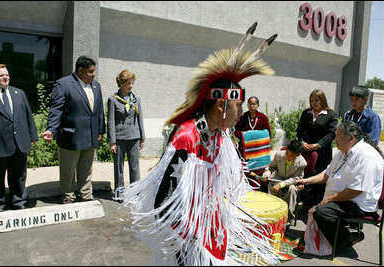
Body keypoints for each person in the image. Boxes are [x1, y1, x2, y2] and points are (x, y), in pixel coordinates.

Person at [121, 22, 281, 265]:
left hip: (211, 226)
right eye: (238, 106)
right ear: (221, 105)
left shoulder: (220, 135)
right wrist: (181, 240)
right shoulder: (188, 137)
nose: (241, 113)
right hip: (188, 233)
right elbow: (163, 199)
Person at [296, 121, 384, 248]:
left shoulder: (366, 156)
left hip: (357, 203)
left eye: (338, 135)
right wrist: (305, 181)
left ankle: (347, 238)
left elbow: (355, 191)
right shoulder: (343, 151)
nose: (335, 138)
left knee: (321, 212)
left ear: (351, 138)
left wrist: (329, 199)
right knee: (316, 203)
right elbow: (326, 174)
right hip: (344, 197)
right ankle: (335, 236)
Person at [42, 56, 105, 204]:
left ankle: (86, 195)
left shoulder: (96, 86)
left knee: (86, 169)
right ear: (80, 70)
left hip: (90, 136)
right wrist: (51, 129)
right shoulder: (64, 84)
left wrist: (100, 130)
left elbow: (99, 110)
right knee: (68, 170)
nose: (93, 74)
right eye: (91, 72)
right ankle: (68, 195)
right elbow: (56, 109)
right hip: (71, 136)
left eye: (94, 71)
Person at [0, 63, 38, 212]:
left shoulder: (19, 93)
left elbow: (28, 115)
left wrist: (33, 135)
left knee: (19, 175)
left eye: (7, 75)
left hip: (19, 143)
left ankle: (19, 200)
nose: (5, 78)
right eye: (1, 75)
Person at [107, 69, 145, 202]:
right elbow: (110, 121)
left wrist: (142, 138)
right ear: (122, 84)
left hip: (134, 137)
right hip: (119, 138)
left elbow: (140, 119)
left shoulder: (136, 99)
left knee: (135, 167)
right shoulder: (113, 100)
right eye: (129, 83)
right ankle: (119, 194)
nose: (131, 86)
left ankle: (136, 193)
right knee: (119, 168)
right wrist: (111, 141)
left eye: (132, 83)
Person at [296, 89, 338, 209]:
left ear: (322, 100)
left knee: (319, 177)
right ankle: (304, 202)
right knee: (305, 175)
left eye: (317, 100)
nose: (314, 103)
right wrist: (302, 142)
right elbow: (299, 130)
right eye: (312, 100)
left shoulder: (331, 114)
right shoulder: (306, 113)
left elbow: (331, 133)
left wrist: (319, 144)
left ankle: (317, 205)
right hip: (307, 150)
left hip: (322, 152)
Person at [262, 140, 307, 225]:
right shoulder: (279, 155)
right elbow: (271, 167)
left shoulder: (302, 163)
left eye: (291, 155)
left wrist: (281, 185)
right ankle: (272, 214)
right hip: (278, 178)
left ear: (298, 155)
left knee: (292, 190)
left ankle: (288, 218)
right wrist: (266, 174)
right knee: (272, 186)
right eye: (287, 153)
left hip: (290, 182)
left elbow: (296, 178)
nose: (288, 157)